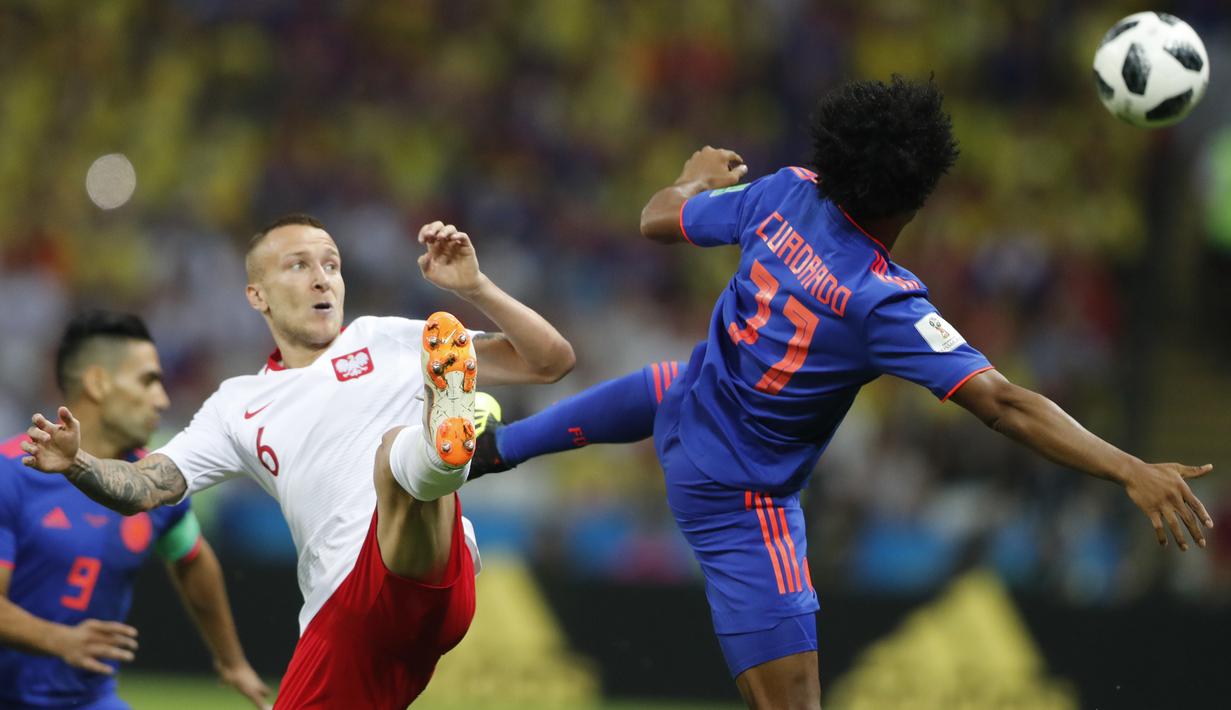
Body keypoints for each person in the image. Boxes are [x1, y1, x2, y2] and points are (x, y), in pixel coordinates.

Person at [469, 76, 1216, 709]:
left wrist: (695, 175)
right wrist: (1128, 467)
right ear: (918, 194)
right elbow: (1003, 402)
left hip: (688, 407)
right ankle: (486, 450)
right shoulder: (882, 299)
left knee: (675, 381)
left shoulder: (785, 194)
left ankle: (487, 450)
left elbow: (655, 218)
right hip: (743, 503)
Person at [21, 215, 574, 708]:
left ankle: (442, 443)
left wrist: (475, 286)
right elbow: (145, 486)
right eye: (298, 265)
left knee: (394, 456)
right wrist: (78, 463)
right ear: (257, 295)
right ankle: (447, 433)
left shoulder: (396, 339)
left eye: (331, 264)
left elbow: (550, 362)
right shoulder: (236, 404)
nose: (321, 277)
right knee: (405, 460)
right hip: (344, 615)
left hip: (423, 567)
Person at [0, 310, 269, 710]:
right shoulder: (11, 474)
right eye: (148, 381)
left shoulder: (148, 486)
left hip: (89, 700)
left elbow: (192, 560)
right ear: (98, 382)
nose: (162, 398)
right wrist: (59, 639)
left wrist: (232, 661)